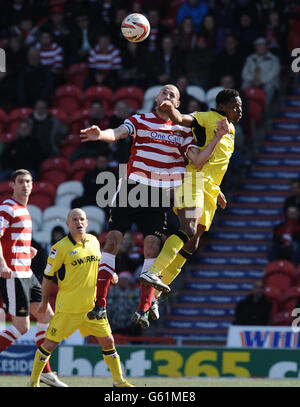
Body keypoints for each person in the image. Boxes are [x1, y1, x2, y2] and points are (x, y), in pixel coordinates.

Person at [80, 84, 228, 328]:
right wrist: (101, 134)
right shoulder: (139, 120)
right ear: (156, 98)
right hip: (132, 187)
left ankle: (143, 309)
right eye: (164, 92)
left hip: (159, 194)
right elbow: (117, 133)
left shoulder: (183, 132)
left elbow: (199, 162)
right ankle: (100, 304)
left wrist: (219, 138)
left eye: (172, 95)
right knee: (112, 241)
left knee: (152, 247)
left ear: (177, 105)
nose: (167, 96)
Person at [139, 89, 242, 325]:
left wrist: (217, 190)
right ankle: (153, 271)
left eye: (241, 107)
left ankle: (154, 291)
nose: (240, 111)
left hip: (209, 187)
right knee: (188, 227)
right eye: (236, 106)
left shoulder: (232, 128)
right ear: (222, 106)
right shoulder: (206, 118)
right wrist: (169, 107)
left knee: (193, 243)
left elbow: (217, 164)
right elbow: (181, 119)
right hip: (193, 180)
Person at [29, 208, 134, 387]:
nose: (78, 222)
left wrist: (112, 274)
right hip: (68, 309)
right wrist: (45, 302)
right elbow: (47, 277)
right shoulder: (59, 248)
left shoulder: (94, 241)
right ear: (68, 224)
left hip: (93, 307)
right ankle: (33, 382)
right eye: (74, 219)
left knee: (108, 341)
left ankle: (119, 381)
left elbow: (102, 263)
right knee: (49, 344)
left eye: (81, 219)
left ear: (87, 223)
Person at [0, 169, 67, 387]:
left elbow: (11, 240)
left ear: (33, 185)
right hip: (14, 274)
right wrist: (2, 263)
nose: (25, 185)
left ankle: (45, 372)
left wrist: (26, 249)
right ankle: (45, 372)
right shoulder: (7, 207)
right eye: (20, 181)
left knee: (47, 316)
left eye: (28, 181)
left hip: (27, 273)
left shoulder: (25, 210)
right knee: (22, 327)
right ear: (13, 185)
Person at [241, 37, 280, 109]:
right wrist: (252, 79)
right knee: (245, 84)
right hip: (253, 81)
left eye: (263, 45)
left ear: (266, 46)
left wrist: (261, 81)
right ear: (255, 47)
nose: (260, 48)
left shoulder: (273, 59)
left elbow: (274, 74)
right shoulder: (250, 58)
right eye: (258, 46)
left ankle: (264, 110)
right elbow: (244, 73)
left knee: (270, 86)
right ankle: (244, 109)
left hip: (266, 82)